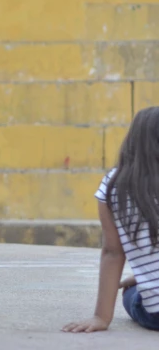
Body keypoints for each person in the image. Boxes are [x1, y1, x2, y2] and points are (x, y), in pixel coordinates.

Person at [62, 106, 159, 333]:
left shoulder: (114, 186)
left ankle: (146, 280)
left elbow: (113, 252)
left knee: (131, 294)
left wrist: (100, 317)